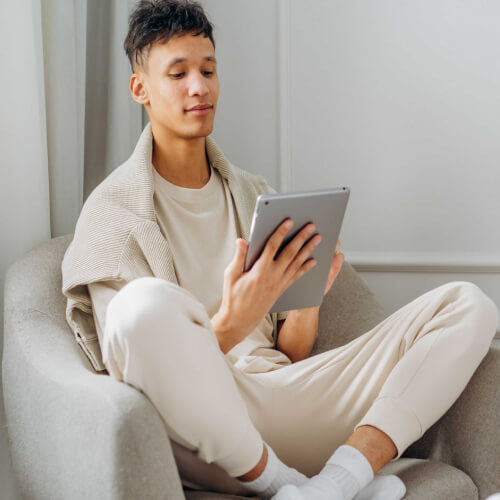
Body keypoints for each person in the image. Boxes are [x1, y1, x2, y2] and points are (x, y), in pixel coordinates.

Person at [61, 1, 499, 499]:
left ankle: (338, 481)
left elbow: (287, 353)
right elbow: (138, 372)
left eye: (208, 69)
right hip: (209, 428)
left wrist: (305, 301)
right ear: (140, 88)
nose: (198, 87)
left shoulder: (253, 193)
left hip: (291, 396)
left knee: (468, 303)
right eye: (177, 73)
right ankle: (284, 484)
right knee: (139, 308)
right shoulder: (111, 216)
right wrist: (231, 320)